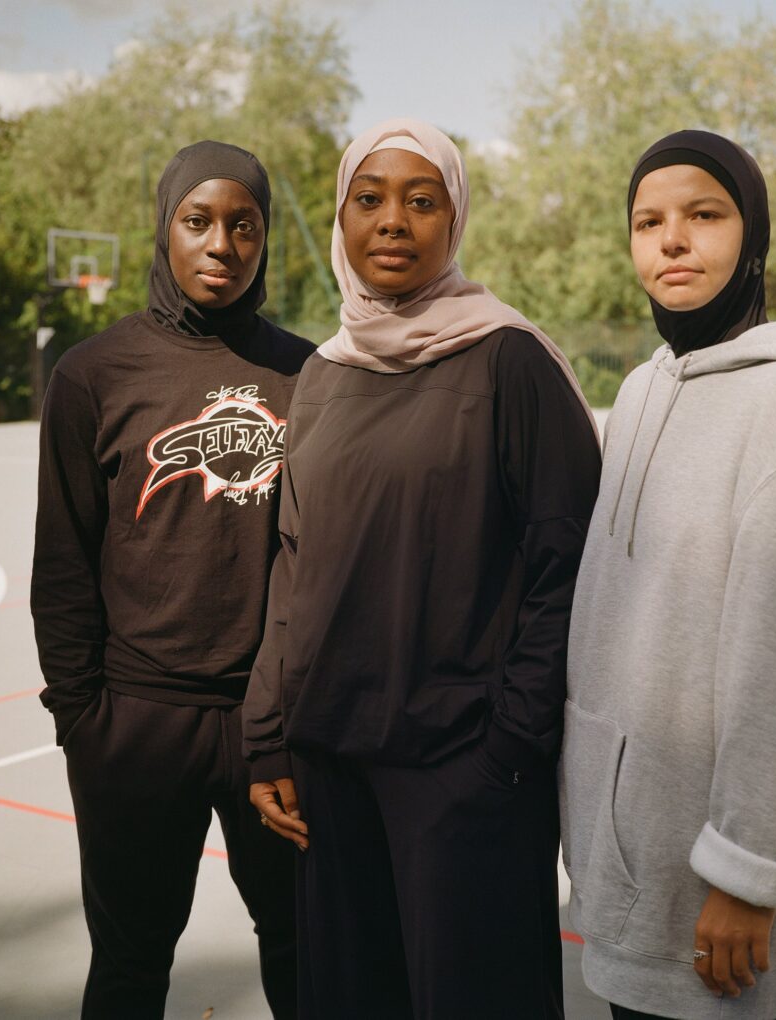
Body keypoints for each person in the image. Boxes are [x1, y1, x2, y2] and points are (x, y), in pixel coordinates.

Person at [242, 118, 602, 1020]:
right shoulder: (324, 373)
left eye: (420, 200)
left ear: (454, 220)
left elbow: (571, 567)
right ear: (341, 219)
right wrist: (269, 734)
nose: (392, 221)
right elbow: (296, 561)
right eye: (370, 200)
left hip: (462, 776)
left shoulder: (509, 359)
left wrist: (506, 748)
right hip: (333, 769)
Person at [559, 130, 776, 1019]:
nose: (672, 240)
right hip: (631, 861)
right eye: (649, 220)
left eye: (704, 215)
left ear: (754, 238)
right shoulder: (641, 391)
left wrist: (750, 871)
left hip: (714, 888)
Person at [30, 140, 316, 1019]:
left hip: (274, 726)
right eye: (198, 221)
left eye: (244, 225)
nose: (220, 245)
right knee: (130, 961)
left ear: (265, 242)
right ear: (165, 230)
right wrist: (83, 717)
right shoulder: (92, 375)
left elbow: (319, 559)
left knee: (310, 956)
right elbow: (64, 562)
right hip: (137, 727)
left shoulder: (310, 374)